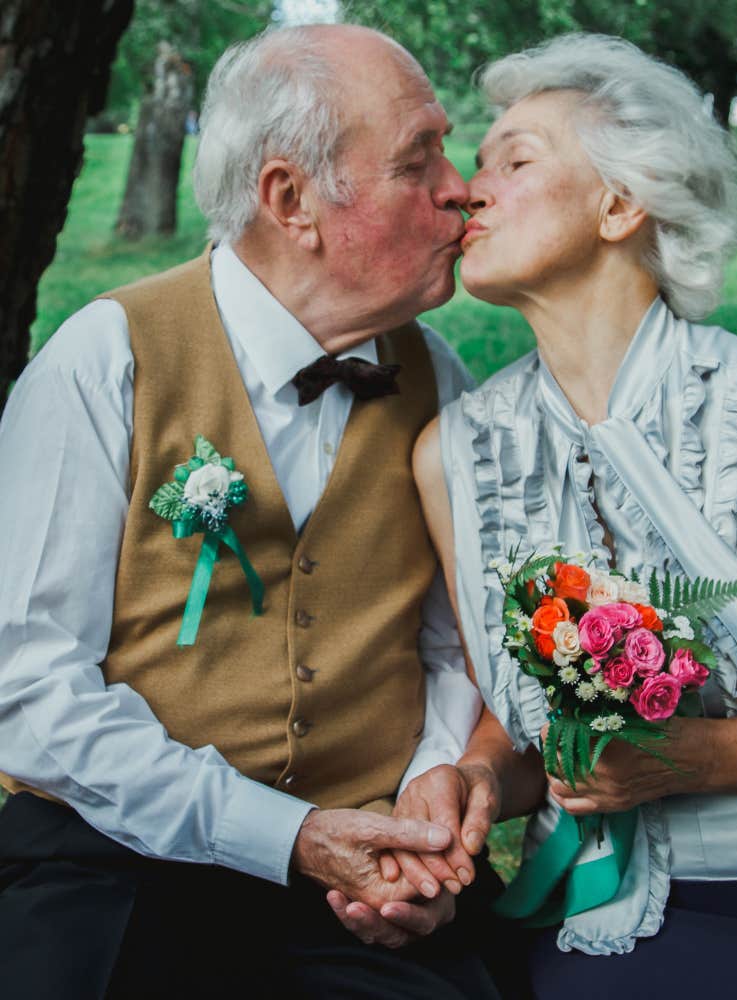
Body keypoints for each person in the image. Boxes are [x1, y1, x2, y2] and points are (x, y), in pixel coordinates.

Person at [0, 23, 511, 1000]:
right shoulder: (105, 359)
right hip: (114, 860)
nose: (461, 188)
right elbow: (28, 691)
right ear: (291, 200)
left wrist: (424, 804)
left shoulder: (441, 384)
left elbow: (456, 650)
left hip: (365, 881)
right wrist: (288, 836)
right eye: (419, 160)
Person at [407, 32, 737, 998]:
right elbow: (524, 736)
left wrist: (696, 757)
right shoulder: (453, 453)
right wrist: (480, 782)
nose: (470, 191)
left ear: (621, 202)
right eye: (476, 167)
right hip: (585, 923)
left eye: (515, 161)